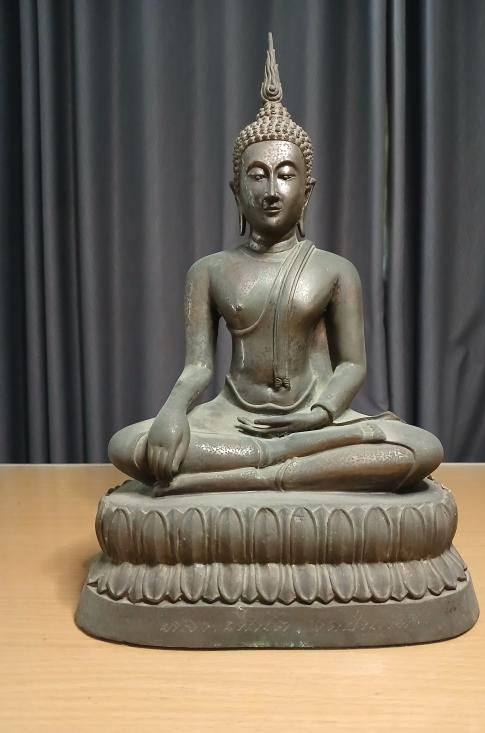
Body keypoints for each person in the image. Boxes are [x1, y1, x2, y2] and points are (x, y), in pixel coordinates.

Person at [108, 34, 443, 495]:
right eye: (257, 176)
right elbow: (198, 367)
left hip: (318, 421)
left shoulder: (335, 270)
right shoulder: (209, 271)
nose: (271, 191)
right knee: (129, 445)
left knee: (420, 449)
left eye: (286, 176)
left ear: (307, 190)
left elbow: (351, 365)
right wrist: (172, 412)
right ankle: (280, 465)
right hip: (232, 419)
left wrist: (320, 415)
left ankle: (259, 471)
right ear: (236, 191)